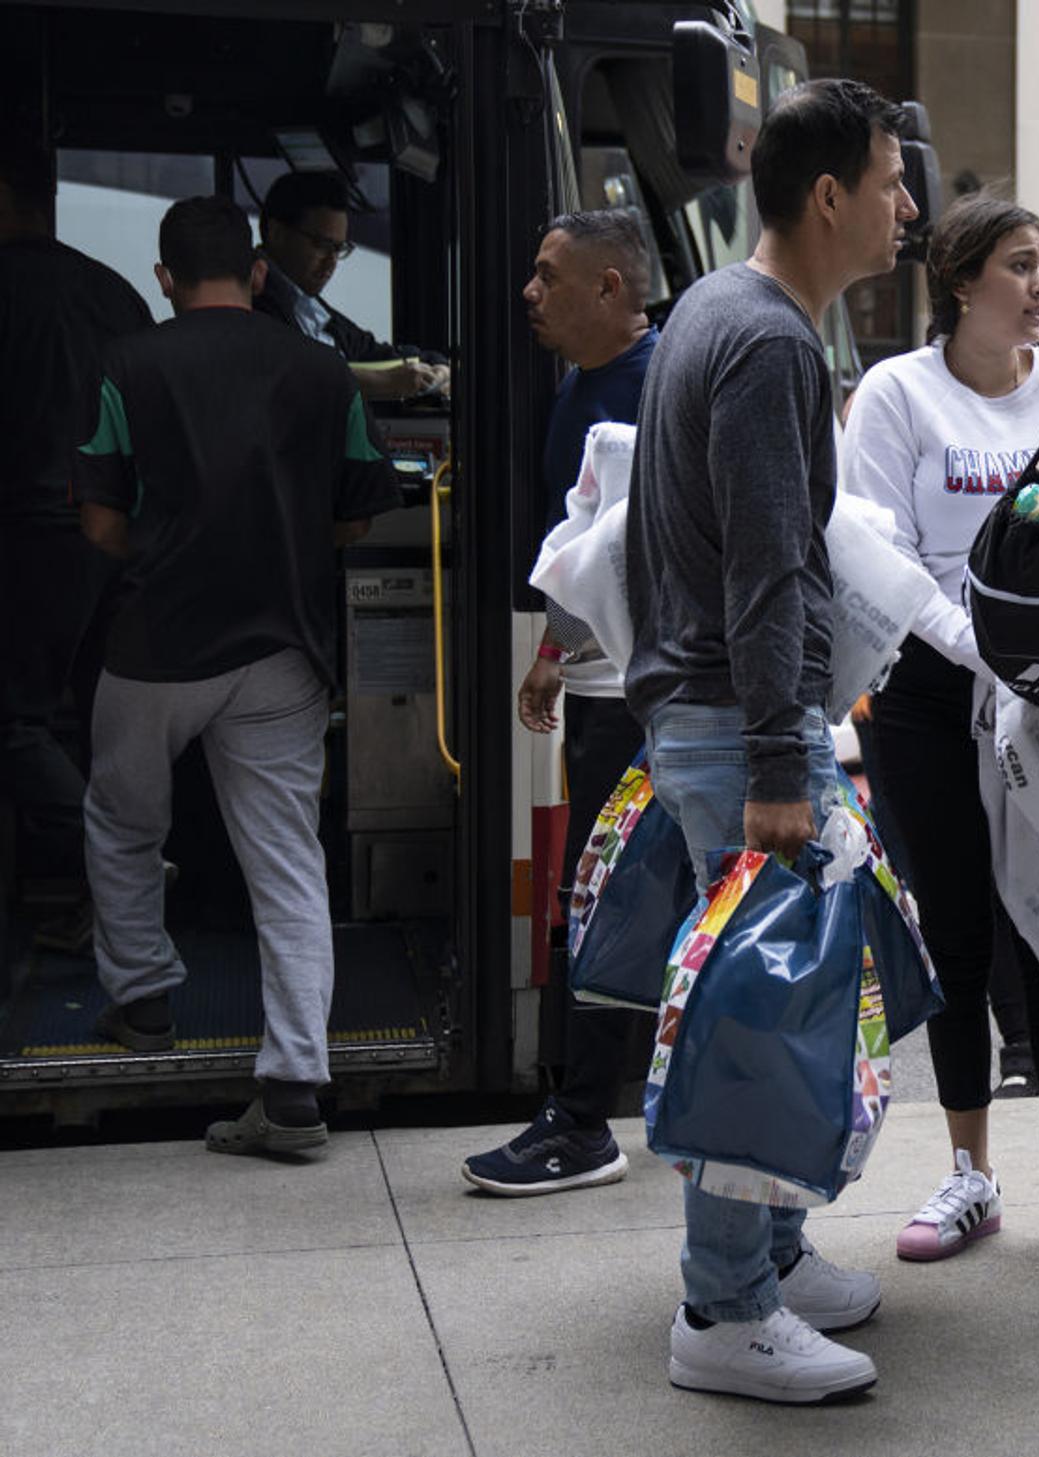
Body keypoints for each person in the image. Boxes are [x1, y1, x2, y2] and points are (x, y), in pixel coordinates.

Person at [624, 79, 918, 1403]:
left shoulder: (721, 311)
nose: (907, 206)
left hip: (724, 716)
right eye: (893, 181)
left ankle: (774, 1256)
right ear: (827, 198)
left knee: (788, 1001)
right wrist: (781, 765)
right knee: (758, 1016)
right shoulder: (771, 342)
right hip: (745, 730)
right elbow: (766, 569)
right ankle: (725, 1306)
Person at [74, 195, 399, 1153]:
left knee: (124, 820)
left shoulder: (128, 364)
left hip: (155, 646)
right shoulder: (319, 367)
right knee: (288, 858)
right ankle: (296, 1088)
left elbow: (97, 520)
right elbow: (359, 510)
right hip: (280, 649)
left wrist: (169, 551)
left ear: (163, 278)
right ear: (259, 274)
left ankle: (141, 1003)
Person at [840, 194, 1039, 1269]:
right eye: (1019, 265)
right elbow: (882, 554)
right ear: (960, 281)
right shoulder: (897, 395)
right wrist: (977, 646)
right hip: (927, 696)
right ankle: (968, 1172)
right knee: (957, 938)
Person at [460, 209, 659, 1196]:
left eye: (548, 276)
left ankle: (585, 1119)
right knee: (614, 889)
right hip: (603, 682)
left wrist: (553, 646)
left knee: (606, 891)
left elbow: (619, 552)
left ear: (610, 289)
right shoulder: (584, 382)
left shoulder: (651, 390)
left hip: (633, 692)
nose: (529, 294)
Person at [0, 131, 152, 923]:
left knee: (15, 722)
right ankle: (113, 902)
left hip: (28, 534)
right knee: (99, 724)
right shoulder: (112, 291)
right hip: (114, 536)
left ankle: (115, 861)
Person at [252, 170, 445, 401]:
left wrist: (436, 365)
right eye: (322, 245)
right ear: (277, 233)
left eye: (339, 249)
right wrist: (383, 382)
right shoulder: (250, 298)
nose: (331, 261)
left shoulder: (309, 306)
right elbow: (288, 373)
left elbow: (370, 351)